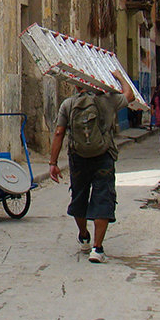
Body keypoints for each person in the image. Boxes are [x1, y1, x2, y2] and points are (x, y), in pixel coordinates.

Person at [47, 75, 136, 264]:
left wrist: (53, 163)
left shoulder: (68, 104)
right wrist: (120, 77)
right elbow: (130, 96)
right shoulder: (107, 101)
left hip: (78, 157)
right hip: (103, 156)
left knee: (79, 196)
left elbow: (59, 132)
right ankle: (98, 248)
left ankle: (84, 236)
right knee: (103, 196)